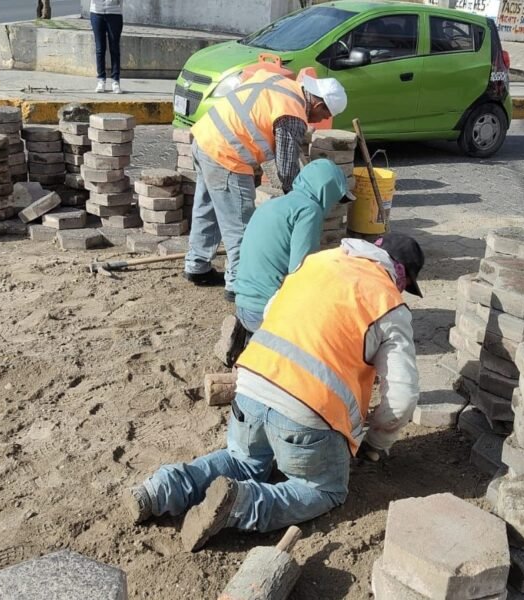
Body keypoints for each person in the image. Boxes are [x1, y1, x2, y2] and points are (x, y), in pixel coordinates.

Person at [126, 233, 425, 551]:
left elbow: (272, 312)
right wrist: (375, 442)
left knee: (241, 460)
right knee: (324, 490)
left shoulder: (318, 261)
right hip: (309, 412)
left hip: (251, 384)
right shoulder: (389, 303)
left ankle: (158, 489)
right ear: (400, 274)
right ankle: (243, 504)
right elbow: (403, 396)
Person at [183, 72, 348, 302]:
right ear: (318, 103)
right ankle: (239, 283)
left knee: (207, 207)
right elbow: (287, 167)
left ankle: (197, 265)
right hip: (228, 156)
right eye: (324, 115)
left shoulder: (281, 82)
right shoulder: (292, 113)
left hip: (205, 137)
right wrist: (299, 200)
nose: (319, 121)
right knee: (241, 225)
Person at [234, 159, 355, 333]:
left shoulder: (272, 204)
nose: (334, 205)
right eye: (336, 199)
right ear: (327, 191)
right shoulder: (308, 211)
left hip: (244, 306)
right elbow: (301, 271)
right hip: (266, 311)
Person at [90, 0, 123, 94]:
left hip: (114, 12)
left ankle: (115, 81)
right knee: (100, 49)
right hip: (96, 12)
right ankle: (101, 80)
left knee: (115, 49)